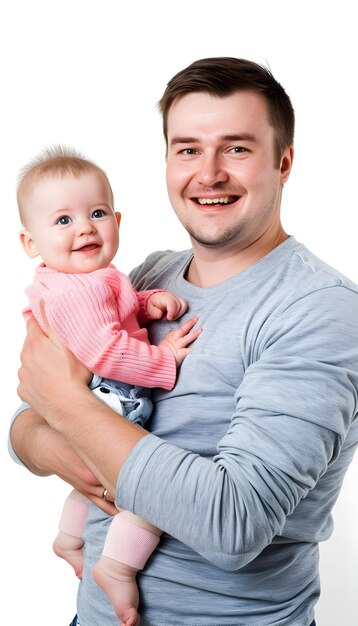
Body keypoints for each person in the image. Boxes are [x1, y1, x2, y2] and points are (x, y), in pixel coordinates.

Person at [10, 57, 358, 626]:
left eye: (237, 148)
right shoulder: (144, 277)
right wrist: (59, 440)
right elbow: (26, 419)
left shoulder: (322, 310)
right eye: (188, 149)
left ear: (284, 162)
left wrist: (68, 406)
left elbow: (233, 524)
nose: (210, 173)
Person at [15, 146, 201, 626]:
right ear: (28, 241)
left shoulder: (86, 279)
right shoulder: (79, 289)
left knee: (92, 478)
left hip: (92, 397)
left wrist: (147, 302)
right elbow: (106, 351)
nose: (85, 227)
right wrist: (165, 359)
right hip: (111, 398)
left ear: (117, 218)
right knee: (145, 492)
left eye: (97, 213)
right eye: (63, 220)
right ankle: (117, 567)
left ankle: (70, 539)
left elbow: (113, 304)